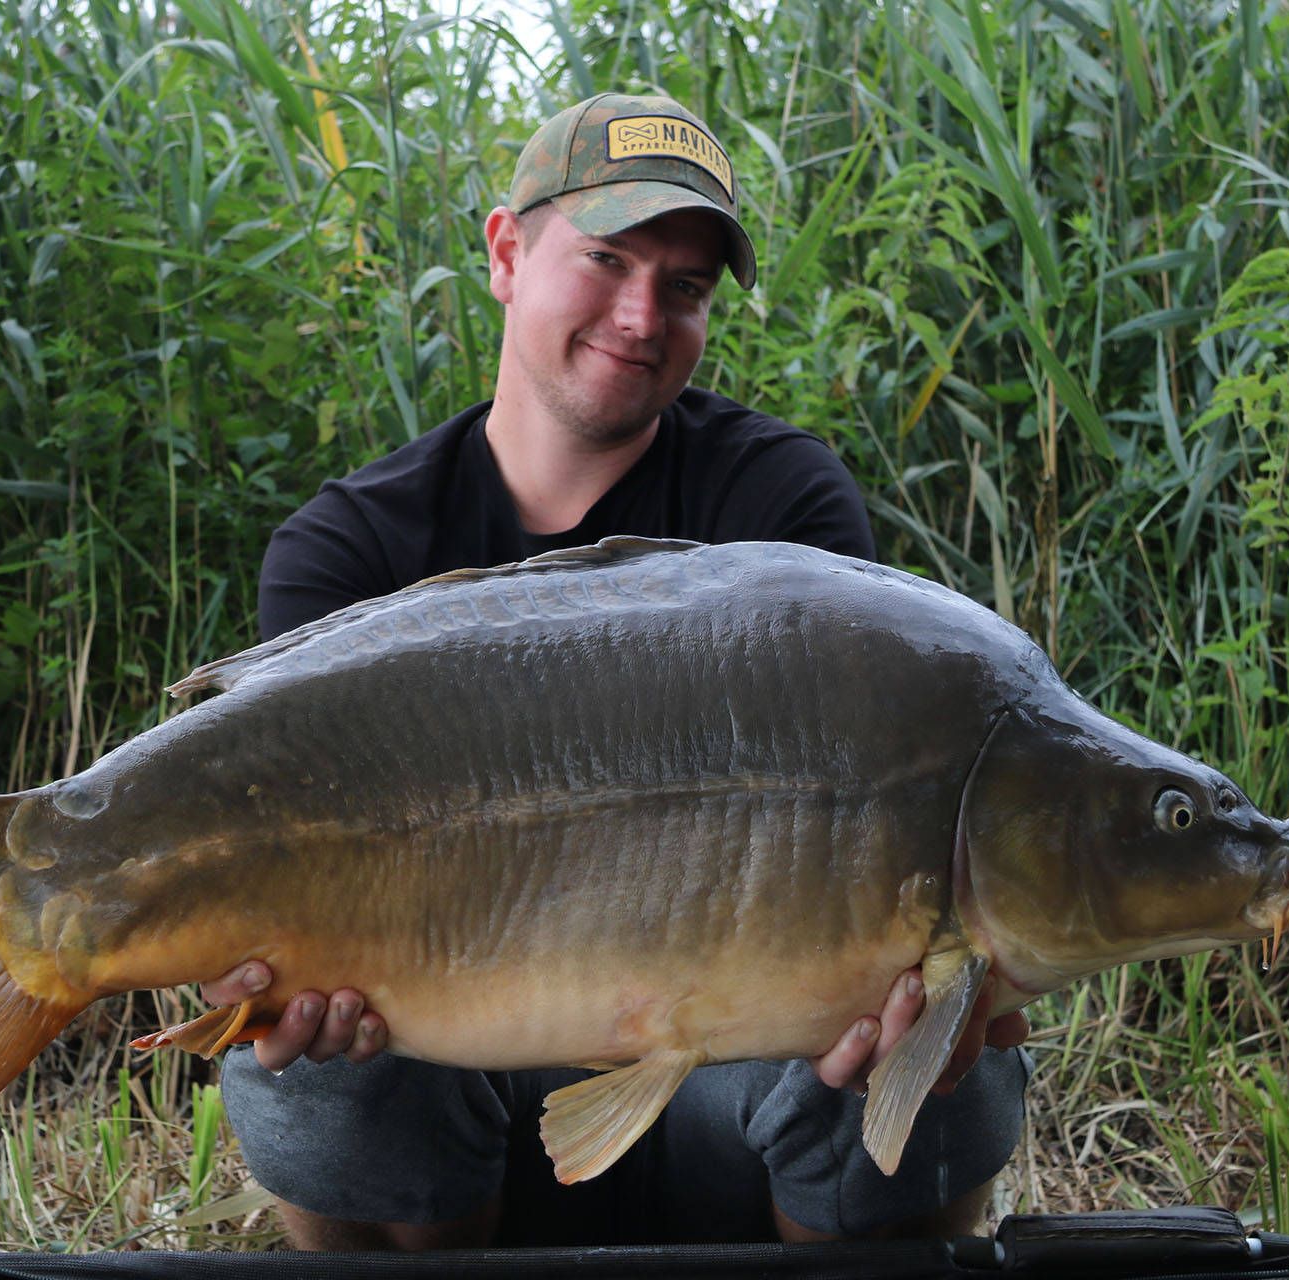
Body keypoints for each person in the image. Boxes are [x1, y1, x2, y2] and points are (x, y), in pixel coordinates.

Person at [200, 92, 1030, 1250]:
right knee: (308, 1074)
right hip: (458, 1106)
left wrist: (910, 1002)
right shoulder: (350, 550)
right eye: (606, 259)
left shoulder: (781, 513)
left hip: (736, 1109)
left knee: (945, 1061)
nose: (642, 315)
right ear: (505, 251)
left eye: (685, 287)